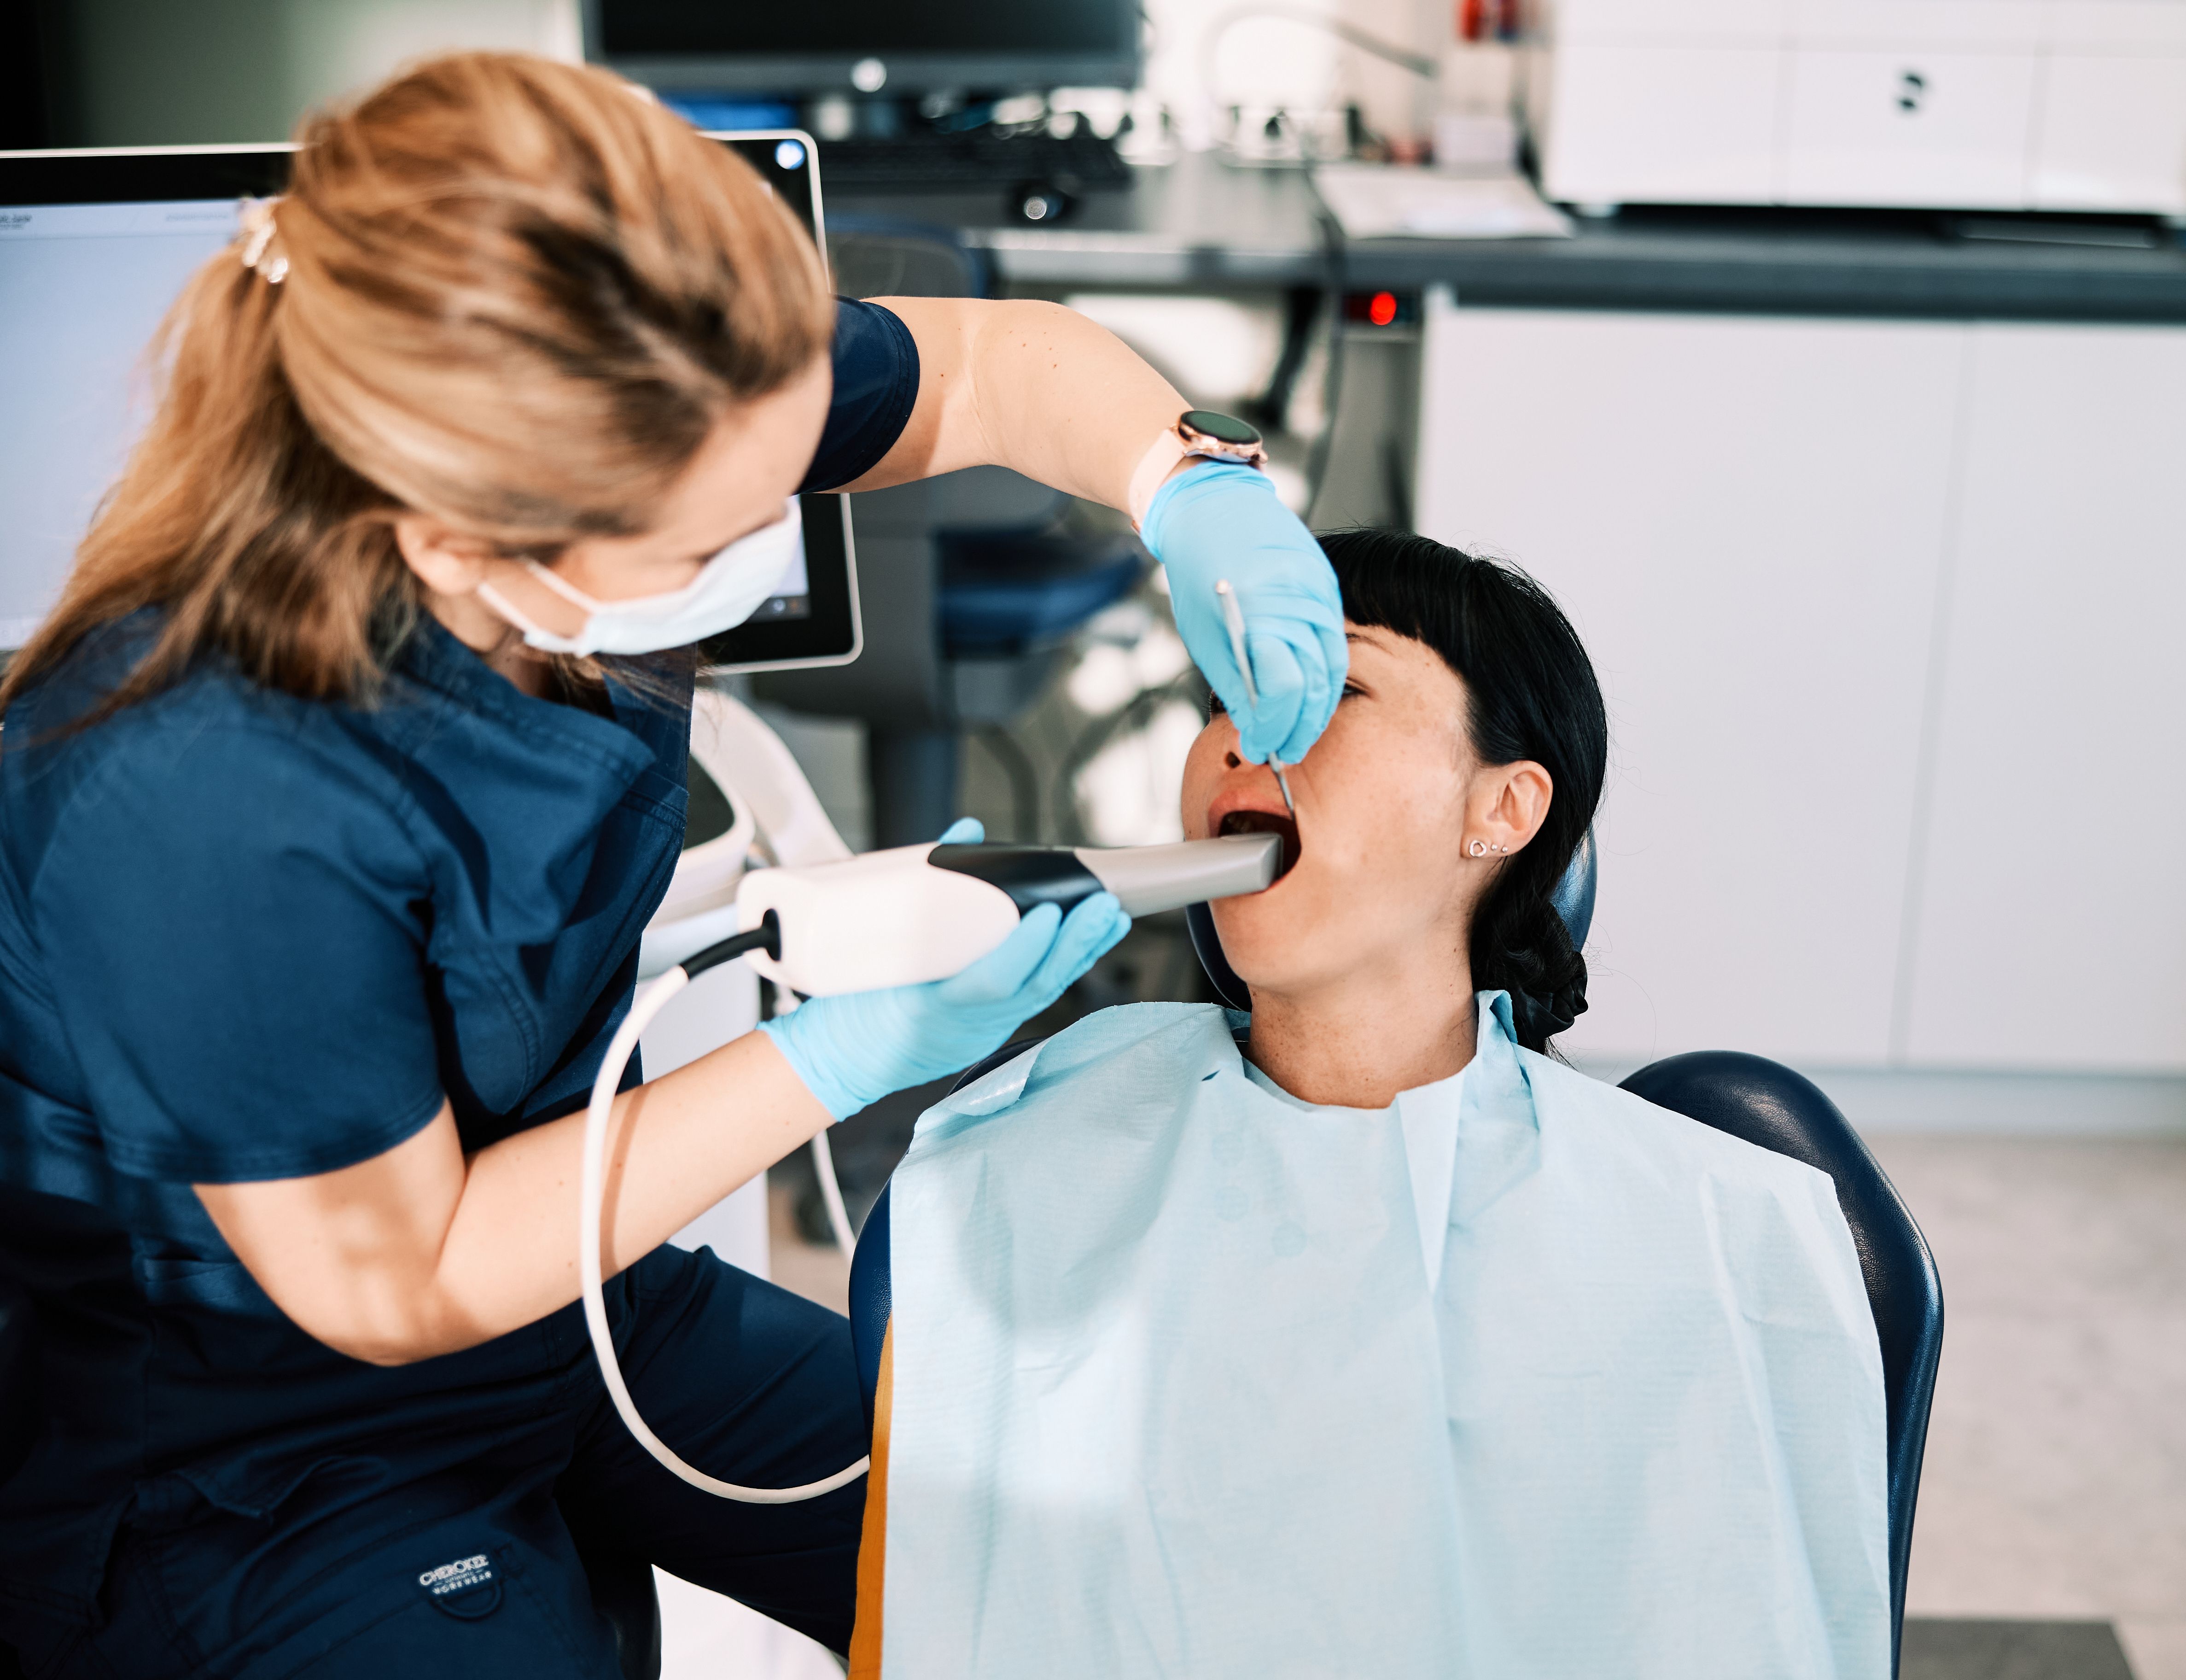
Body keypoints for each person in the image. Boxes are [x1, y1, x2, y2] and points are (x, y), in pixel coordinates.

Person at [0, 52, 1345, 1676]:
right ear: (460, 543)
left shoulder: (672, 390)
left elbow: (988, 370)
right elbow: (399, 1275)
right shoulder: (195, 786)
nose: (770, 541)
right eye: (711, 548)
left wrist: (1188, 482)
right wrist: (833, 1055)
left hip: (582, 1298)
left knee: (1120, 1557)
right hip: (262, 1446)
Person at [858, 531, 1891, 1677]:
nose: (1243, 733)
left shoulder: (1717, 1230)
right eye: (1224, 694)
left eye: (1331, 686)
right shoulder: (1019, 1162)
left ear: (1502, 808)